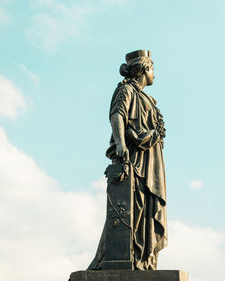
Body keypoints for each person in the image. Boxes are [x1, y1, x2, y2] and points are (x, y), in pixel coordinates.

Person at [88, 50, 167, 270]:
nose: (155, 74)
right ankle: (120, 258)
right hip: (135, 160)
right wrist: (121, 144)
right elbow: (117, 115)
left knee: (145, 210)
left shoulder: (146, 98)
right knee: (134, 207)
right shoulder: (126, 90)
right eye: (153, 69)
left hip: (150, 159)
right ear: (144, 69)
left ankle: (143, 259)